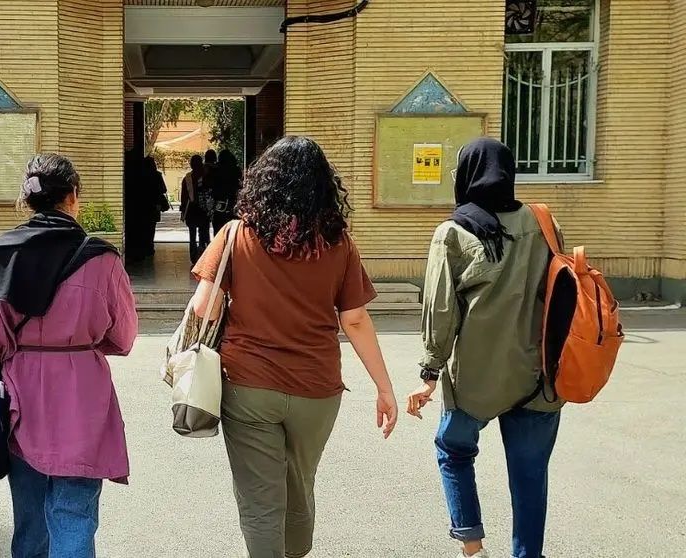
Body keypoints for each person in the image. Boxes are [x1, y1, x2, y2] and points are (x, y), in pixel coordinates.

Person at [190, 136, 398, 558]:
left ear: (264, 182)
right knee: (300, 482)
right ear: (323, 185)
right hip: (317, 390)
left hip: (248, 386)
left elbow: (204, 309)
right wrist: (384, 388)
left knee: (261, 498)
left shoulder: (236, 236)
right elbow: (354, 319)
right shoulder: (339, 244)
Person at [0, 153, 138, 558]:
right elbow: (124, 338)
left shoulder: (0, 254)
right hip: (83, 396)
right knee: (74, 516)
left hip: (20, 397)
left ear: (26, 201)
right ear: (73, 196)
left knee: (30, 521)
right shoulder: (102, 258)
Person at [406, 137, 566, 558]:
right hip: (540, 376)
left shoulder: (453, 233)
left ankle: (473, 548)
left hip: (477, 378)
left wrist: (429, 373)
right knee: (530, 474)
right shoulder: (543, 222)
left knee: (453, 450)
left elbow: (440, 311)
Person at [180, 154, 211, 263]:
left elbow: (184, 197)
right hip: (204, 210)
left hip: (191, 210)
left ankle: (194, 257)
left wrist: (183, 210)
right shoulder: (207, 176)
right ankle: (204, 256)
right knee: (204, 233)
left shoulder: (187, 178)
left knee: (192, 235)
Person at [211, 149, 242, 234]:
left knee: (218, 228)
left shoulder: (216, 170)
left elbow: (212, 186)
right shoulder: (236, 170)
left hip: (220, 203)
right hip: (233, 203)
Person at [143, 155, 170, 257]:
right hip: (155, 205)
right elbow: (164, 189)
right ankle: (150, 247)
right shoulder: (157, 175)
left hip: (143, 205)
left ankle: (144, 247)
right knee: (151, 227)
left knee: (144, 226)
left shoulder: (140, 175)